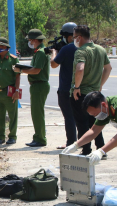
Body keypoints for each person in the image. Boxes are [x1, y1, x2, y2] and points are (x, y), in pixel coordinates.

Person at [70, 25, 112, 156]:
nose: (74, 40)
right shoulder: (100, 49)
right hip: (95, 93)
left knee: (82, 123)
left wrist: (77, 87)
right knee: (96, 122)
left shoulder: (81, 51)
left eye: (74, 37)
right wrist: (100, 85)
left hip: (81, 93)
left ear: (80, 37)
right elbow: (108, 68)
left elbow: (80, 69)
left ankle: (86, 150)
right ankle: (101, 148)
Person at [13, 29, 50, 147]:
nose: (29, 42)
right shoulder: (40, 51)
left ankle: (40, 138)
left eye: (30, 40)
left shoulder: (40, 52)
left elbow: (36, 70)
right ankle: (39, 136)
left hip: (39, 85)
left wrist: (21, 70)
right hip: (37, 85)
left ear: (34, 40)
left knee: (37, 113)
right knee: (37, 113)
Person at [50, 22, 78, 150]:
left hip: (66, 88)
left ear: (70, 36)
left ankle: (71, 142)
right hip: (81, 87)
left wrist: (54, 52)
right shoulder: (85, 48)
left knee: (69, 116)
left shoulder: (66, 49)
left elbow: (54, 64)